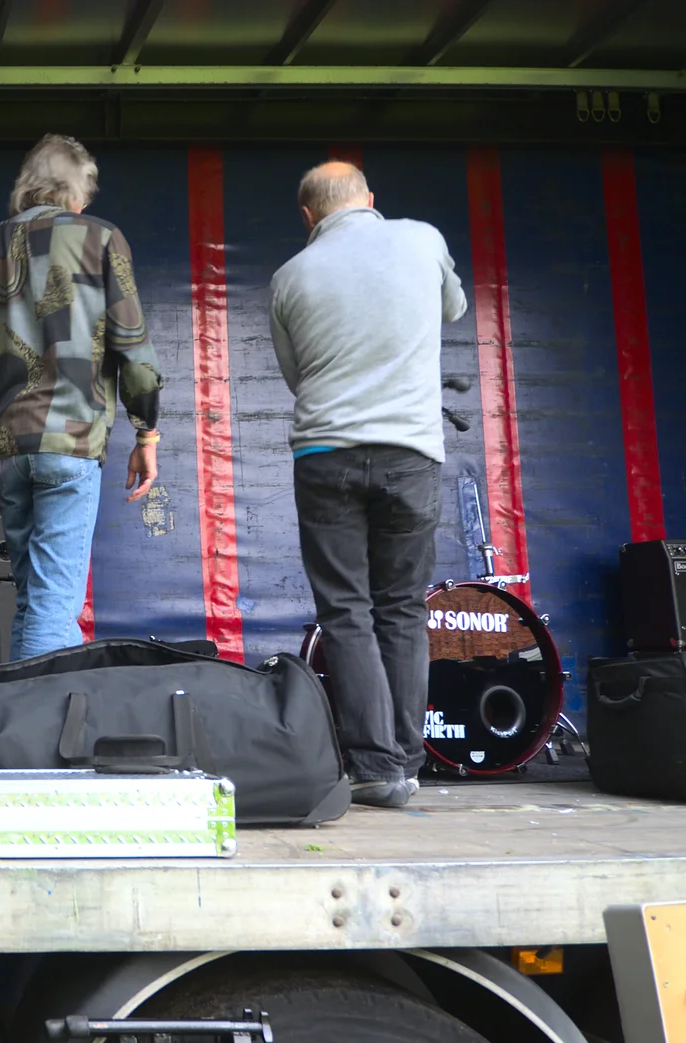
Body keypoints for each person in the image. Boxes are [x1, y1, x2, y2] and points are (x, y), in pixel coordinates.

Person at [268, 161, 469, 808]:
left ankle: (376, 766)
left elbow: (298, 378)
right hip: (411, 451)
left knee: (347, 610)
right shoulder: (422, 238)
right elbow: (454, 307)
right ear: (370, 200)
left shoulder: (289, 276)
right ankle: (408, 761)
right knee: (404, 607)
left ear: (308, 217)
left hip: (327, 454)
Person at [0, 133, 164, 662]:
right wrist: (147, 433)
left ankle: (20, 729)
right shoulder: (102, 238)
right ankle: (44, 738)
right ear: (76, 193)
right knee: (53, 607)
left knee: (30, 602)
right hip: (71, 438)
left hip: (6, 450)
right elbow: (133, 349)